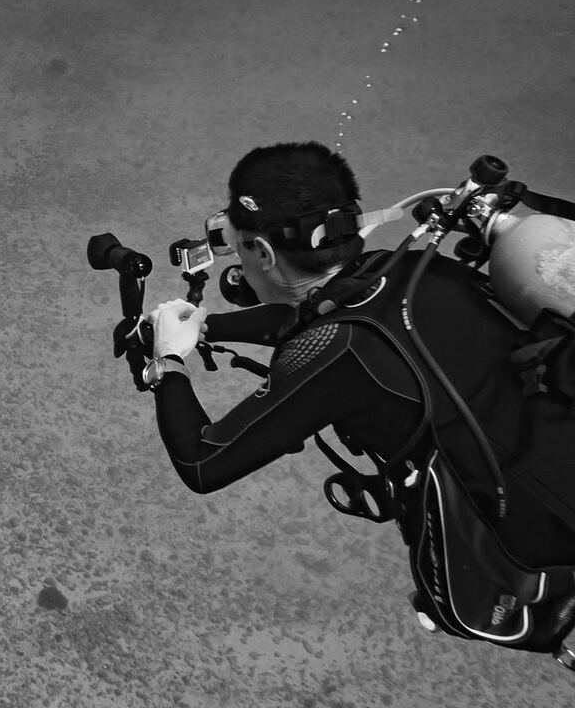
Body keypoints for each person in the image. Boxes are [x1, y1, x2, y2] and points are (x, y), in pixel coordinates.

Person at [141, 141, 575, 655]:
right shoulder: (422, 268)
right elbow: (318, 315)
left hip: (550, 548)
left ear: (263, 253)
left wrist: (167, 362)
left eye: (238, 250)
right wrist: (209, 326)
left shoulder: (334, 352)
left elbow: (202, 460)